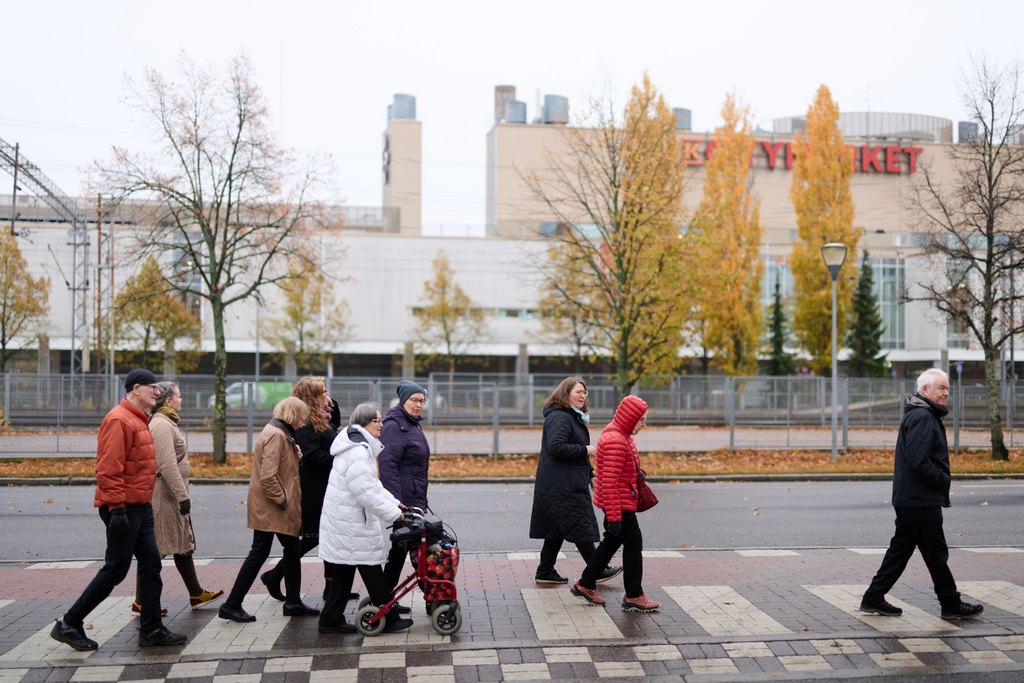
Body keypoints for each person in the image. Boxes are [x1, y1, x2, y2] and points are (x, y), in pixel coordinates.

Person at [51, 368, 187, 651]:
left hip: (140, 505)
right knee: (116, 569)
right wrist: (117, 510)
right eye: (153, 388)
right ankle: (69, 623)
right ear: (136, 389)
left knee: (151, 563)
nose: (157, 392)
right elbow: (108, 469)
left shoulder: (139, 419)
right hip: (123, 507)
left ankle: (151, 629)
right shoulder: (118, 420)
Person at [860, 368, 984, 620]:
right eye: (941, 388)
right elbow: (918, 460)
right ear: (925, 390)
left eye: (947, 388)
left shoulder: (921, 414)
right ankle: (950, 603)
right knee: (936, 554)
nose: (946, 393)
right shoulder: (923, 417)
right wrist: (942, 479)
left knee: (900, 551)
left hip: (911, 498)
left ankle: (873, 597)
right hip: (920, 499)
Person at [218, 397, 320, 623]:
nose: (303, 422)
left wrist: (295, 456)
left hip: (273, 507)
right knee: (260, 553)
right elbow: (268, 476)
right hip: (272, 507)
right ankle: (232, 604)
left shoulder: (280, 432)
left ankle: (293, 601)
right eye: (302, 417)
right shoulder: (277, 435)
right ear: (293, 414)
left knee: (291, 550)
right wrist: (282, 500)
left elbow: (280, 468)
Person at [318, 402, 412, 634]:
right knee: (370, 567)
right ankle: (388, 618)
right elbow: (365, 491)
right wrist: (395, 515)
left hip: (347, 521)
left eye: (380, 420)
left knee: (344, 570)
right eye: (376, 420)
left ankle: (330, 619)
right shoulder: (359, 451)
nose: (381, 425)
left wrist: (394, 503)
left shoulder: (358, 445)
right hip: (351, 523)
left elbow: (372, 485)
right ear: (364, 423)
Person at [262, 377, 356, 604]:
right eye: (323, 392)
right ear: (312, 398)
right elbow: (311, 454)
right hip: (314, 488)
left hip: (327, 486)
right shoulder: (305, 423)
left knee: (329, 536)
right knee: (313, 537)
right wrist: (339, 459)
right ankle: (274, 575)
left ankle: (330, 588)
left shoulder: (323, 417)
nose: (327, 395)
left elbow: (333, 429)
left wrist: (330, 403)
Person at [136, 381, 222, 612]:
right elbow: (166, 464)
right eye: (178, 395)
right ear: (168, 400)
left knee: (182, 543)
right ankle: (142, 602)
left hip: (170, 495)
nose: (181, 399)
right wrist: (182, 496)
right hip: (165, 496)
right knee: (156, 549)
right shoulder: (161, 425)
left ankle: (196, 593)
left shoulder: (167, 422)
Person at [571, 395, 660, 613]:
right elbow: (609, 482)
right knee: (633, 544)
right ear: (631, 418)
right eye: (642, 420)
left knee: (611, 542)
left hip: (619, 499)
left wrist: (636, 473)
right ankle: (634, 595)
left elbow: (619, 471)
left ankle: (586, 583)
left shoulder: (622, 434)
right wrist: (614, 517)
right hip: (618, 503)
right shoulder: (616, 441)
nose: (644, 424)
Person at [530, 377, 621, 584]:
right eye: (578, 392)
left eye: (584, 392)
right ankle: (597, 569)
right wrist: (585, 449)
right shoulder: (561, 417)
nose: (582, 396)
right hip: (563, 485)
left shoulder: (570, 416)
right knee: (581, 525)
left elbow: (573, 452)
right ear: (565, 394)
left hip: (563, 482)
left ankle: (545, 571)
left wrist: (590, 475)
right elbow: (557, 447)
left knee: (556, 529)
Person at [379, 380, 431, 599]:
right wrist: (397, 502)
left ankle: (384, 597)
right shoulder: (395, 425)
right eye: (414, 400)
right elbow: (387, 465)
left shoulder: (412, 423)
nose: (418, 405)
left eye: (422, 401)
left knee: (401, 549)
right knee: (410, 548)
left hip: (414, 497)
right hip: (404, 501)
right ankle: (430, 595)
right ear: (403, 401)